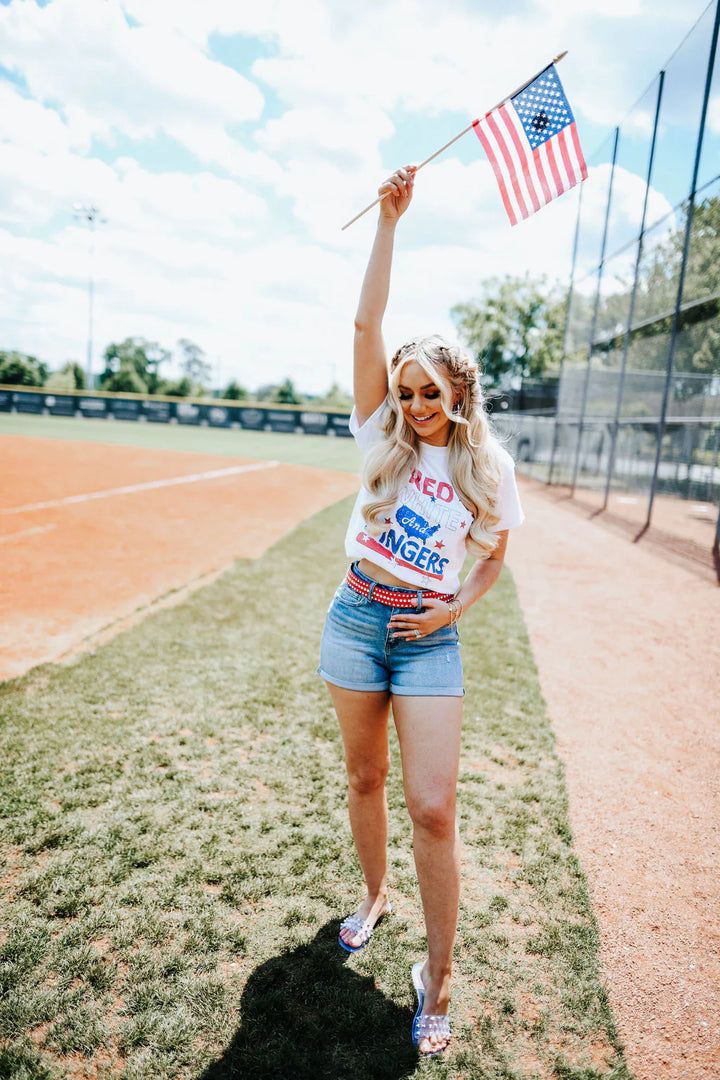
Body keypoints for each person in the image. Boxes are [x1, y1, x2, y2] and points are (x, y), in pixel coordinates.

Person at [318, 165, 525, 1056]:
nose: (414, 405)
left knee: (433, 809)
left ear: (460, 393)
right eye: (405, 392)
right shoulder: (381, 438)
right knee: (365, 780)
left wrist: (453, 614)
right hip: (357, 619)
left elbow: (496, 557)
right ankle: (372, 895)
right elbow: (366, 324)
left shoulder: (488, 466)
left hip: (427, 639)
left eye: (430, 393)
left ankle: (437, 976)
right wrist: (389, 225)